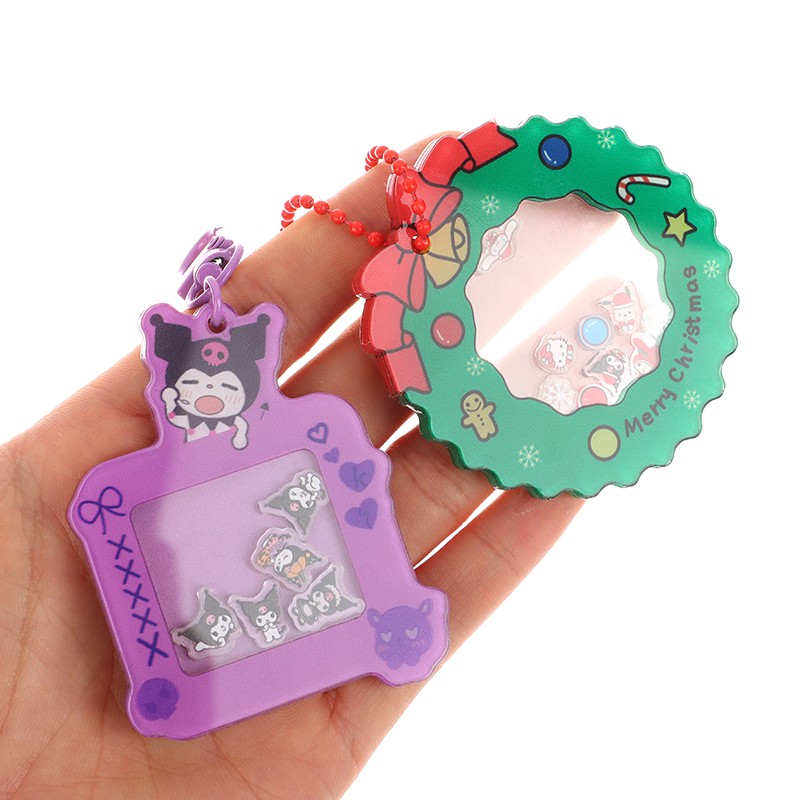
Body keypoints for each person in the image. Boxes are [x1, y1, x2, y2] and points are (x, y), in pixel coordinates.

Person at [0, 136, 582, 799]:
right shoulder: (123, 488)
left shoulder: (318, 428)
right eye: (195, 384)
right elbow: (110, 523)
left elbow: (353, 498)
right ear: (167, 379)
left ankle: (378, 623)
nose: (211, 396)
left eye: (224, 382)